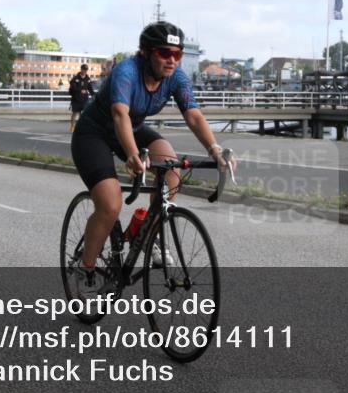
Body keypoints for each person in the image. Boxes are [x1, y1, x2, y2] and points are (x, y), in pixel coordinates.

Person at [70, 22, 234, 296]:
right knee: (110, 204)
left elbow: (192, 115)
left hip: (131, 129)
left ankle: (145, 230)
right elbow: (120, 114)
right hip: (94, 133)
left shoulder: (176, 77)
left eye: (177, 54)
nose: (172, 60)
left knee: (171, 166)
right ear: (146, 52)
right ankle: (85, 269)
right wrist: (133, 155)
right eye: (164, 53)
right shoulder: (127, 71)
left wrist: (215, 150)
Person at [68, 64, 94, 133]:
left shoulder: (87, 79)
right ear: (81, 69)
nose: (85, 71)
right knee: (75, 113)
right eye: (83, 69)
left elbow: (90, 88)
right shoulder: (75, 78)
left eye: (86, 70)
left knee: (83, 114)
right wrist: (80, 90)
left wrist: (93, 95)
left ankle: (80, 127)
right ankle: (72, 126)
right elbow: (73, 88)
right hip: (76, 98)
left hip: (84, 99)